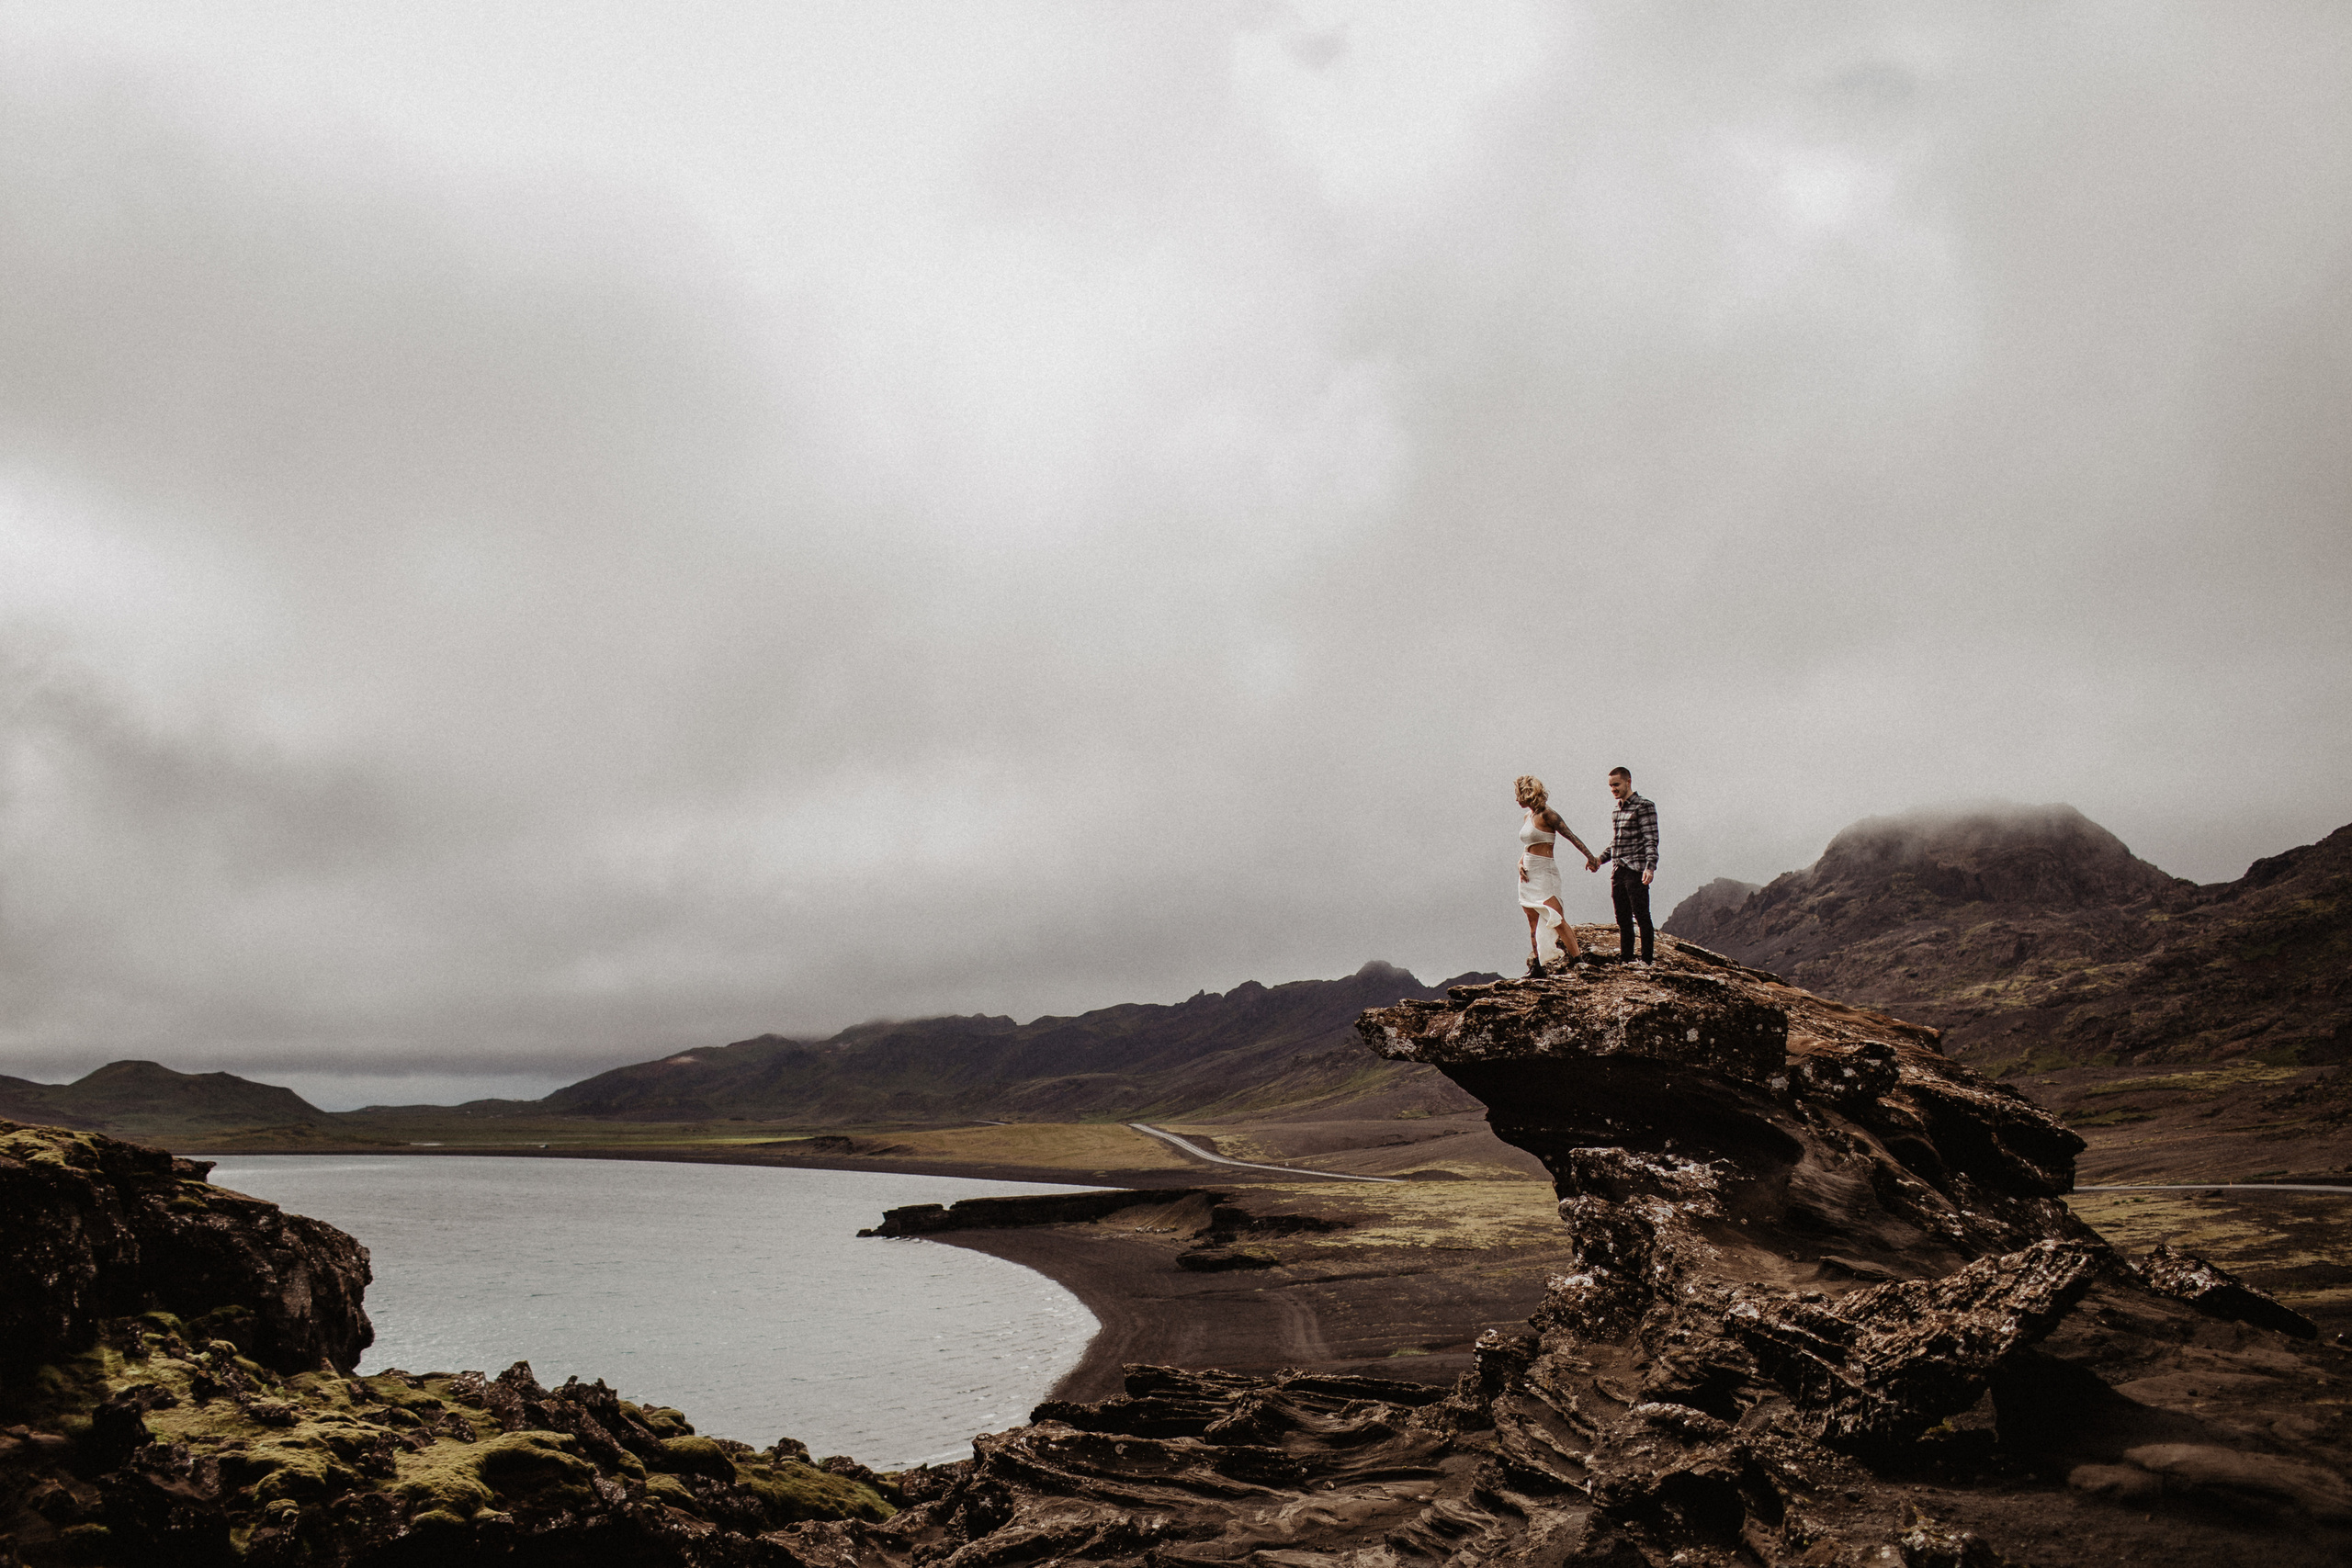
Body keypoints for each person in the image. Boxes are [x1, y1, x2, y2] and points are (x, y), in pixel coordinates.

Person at [1513, 775, 1600, 976]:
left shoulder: (1548, 815)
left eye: (1518, 794)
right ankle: (1538, 966)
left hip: (1545, 873)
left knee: (1556, 918)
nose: (1516, 799)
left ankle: (1578, 960)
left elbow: (1571, 836)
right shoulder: (1528, 817)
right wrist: (1519, 863)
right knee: (1532, 921)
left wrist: (1591, 858)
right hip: (1528, 874)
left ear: (1527, 793)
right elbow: (1528, 846)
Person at [1590, 766, 1659, 963]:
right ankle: (1626, 958)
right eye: (1610, 785)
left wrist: (1650, 867)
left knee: (1641, 916)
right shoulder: (1616, 811)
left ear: (1628, 782)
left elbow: (1651, 839)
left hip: (1636, 869)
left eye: (1616, 784)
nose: (1613, 789)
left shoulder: (1644, 806)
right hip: (1618, 870)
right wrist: (1599, 860)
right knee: (1622, 917)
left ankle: (1646, 960)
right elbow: (1616, 843)